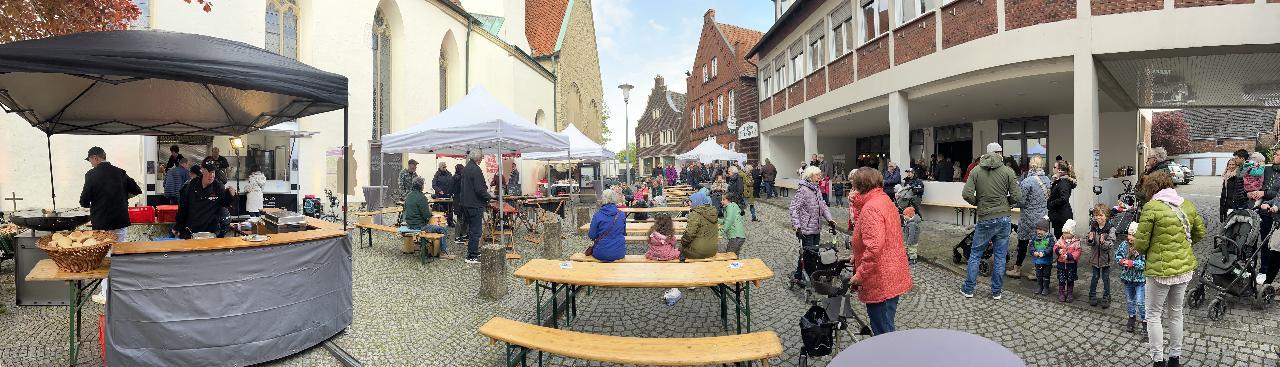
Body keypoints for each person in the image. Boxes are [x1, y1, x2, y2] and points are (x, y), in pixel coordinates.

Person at [1134, 172, 1204, 367]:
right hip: (1183, 269)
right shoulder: (1187, 204)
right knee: (1176, 313)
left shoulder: (1151, 208)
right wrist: (1182, 247)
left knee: (1153, 314)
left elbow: (1140, 245)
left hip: (1159, 271)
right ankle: (1175, 357)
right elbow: (1200, 232)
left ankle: (1158, 360)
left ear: (1151, 188)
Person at [845, 167, 913, 336]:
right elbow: (883, 236)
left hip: (881, 278)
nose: (852, 190)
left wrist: (860, 274)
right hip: (891, 272)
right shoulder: (883, 200)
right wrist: (857, 254)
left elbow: (874, 246)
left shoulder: (871, 208)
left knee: (883, 332)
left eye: (854, 186)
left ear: (860, 186)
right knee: (886, 323)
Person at [960, 143, 1023, 299]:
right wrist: (1006, 203)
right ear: (999, 153)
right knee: (1000, 256)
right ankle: (996, 292)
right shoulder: (1008, 171)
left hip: (985, 218)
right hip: (1003, 218)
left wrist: (978, 202)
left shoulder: (975, 170)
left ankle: (968, 289)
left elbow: (966, 194)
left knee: (975, 254)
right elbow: (1017, 197)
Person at [790, 166, 835, 282]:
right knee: (807, 254)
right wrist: (797, 226)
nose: (820, 177)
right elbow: (794, 208)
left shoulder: (817, 189)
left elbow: (823, 206)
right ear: (810, 177)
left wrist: (830, 219)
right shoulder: (803, 190)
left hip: (816, 228)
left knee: (814, 254)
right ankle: (801, 276)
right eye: (817, 175)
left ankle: (807, 275)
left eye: (820, 175)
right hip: (805, 229)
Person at [1011, 156, 1051, 279]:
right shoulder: (1047, 179)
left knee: (1022, 243)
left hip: (1028, 217)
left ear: (1031, 165)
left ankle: (1016, 269)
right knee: (1040, 243)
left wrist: (1011, 203)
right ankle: (1036, 271)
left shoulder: (1027, 181)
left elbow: (1021, 201)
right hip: (1043, 216)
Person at [174, 161, 238, 238]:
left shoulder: (218, 187)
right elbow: (183, 207)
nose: (211, 175)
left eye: (213, 172)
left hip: (210, 233)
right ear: (202, 170)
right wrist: (178, 226)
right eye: (209, 171)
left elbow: (225, 203)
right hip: (191, 231)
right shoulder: (192, 185)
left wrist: (231, 195)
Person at [458, 151, 493, 264]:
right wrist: (488, 197)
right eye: (482, 157)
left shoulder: (466, 168)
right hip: (474, 204)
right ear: (479, 158)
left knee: (472, 230)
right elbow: (479, 189)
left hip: (466, 204)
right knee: (475, 231)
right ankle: (472, 256)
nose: (482, 159)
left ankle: (473, 252)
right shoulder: (476, 169)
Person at [402, 177, 450, 258]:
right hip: (419, 226)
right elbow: (426, 215)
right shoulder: (421, 197)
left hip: (409, 224)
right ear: (421, 186)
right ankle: (443, 252)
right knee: (443, 229)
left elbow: (405, 210)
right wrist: (430, 211)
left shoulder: (408, 196)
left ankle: (425, 246)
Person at [1116, 222, 1147, 334]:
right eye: (1129, 234)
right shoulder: (1124, 245)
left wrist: (1132, 263)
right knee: (1130, 300)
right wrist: (1120, 260)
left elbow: (1144, 264)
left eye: (1134, 235)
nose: (1130, 237)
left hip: (1139, 280)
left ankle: (1145, 321)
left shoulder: (1142, 247)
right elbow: (1118, 255)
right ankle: (1131, 318)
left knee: (1140, 302)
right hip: (1128, 279)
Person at [1087, 204, 1115, 308]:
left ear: (1106, 216)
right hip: (1095, 258)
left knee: (1105, 278)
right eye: (1096, 215)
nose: (1098, 218)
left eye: (1101, 215)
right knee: (1094, 277)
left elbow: (1111, 244)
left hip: (1105, 259)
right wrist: (1090, 239)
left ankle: (1107, 296)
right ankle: (1092, 295)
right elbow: (1090, 243)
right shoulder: (1093, 226)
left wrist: (1103, 243)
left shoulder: (1110, 228)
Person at [587, 189, 627, 262]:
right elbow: (624, 232)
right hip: (619, 252)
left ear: (603, 199)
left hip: (601, 252)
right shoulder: (621, 214)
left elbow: (591, 235)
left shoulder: (598, 215)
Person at [680, 191, 719, 260]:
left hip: (699, 252)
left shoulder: (695, 214)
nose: (689, 203)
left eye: (691, 201)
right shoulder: (712, 212)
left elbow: (689, 234)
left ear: (696, 201)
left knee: (680, 250)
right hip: (713, 250)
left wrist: (682, 241)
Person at [1053, 219, 1083, 303]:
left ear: (1072, 233)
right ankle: (1061, 293)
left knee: (1070, 280)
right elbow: (1055, 247)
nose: (1065, 234)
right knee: (1061, 280)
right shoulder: (1060, 240)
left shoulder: (1076, 242)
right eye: (1064, 232)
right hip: (1061, 264)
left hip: (1071, 265)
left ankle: (1070, 293)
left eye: (1067, 233)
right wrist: (1058, 251)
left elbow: (1077, 252)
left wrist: (1069, 256)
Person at [1048, 161, 1077, 237]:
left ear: (1060, 170)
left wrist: (1051, 203)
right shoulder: (1059, 181)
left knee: (1062, 241)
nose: (1053, 169)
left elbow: (1064, 198)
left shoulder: (1063, 183)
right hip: (1058, 216)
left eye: (1054, 167)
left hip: (1062, 217)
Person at [1029, 219, 1057, 296]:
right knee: (1038, 275)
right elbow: (1031, 246)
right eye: (1038, 229)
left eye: (1041, 230)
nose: (1039, 231)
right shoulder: (1034, 238)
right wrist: (1033, 252)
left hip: (1047, 261)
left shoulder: (1050, 238)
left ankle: (1046, 287)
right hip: (1038, 261)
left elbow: (1051, 248)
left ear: (1046, 230)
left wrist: (1044, 253)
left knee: (1046, 275)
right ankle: (1040, 286)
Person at [1219, 155, 1247, 222]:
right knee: (1226, 221)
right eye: (1230, 164)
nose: (1231, 166)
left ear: (1236, 165)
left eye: (1233, 164)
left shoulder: (1238, 176)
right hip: (1225, 202)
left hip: (1233, 203)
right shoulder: (1226, 176)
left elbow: (1240, 192)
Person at [431, 162, 454, 226]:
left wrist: (451, 191)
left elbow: (452, 183)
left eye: (445, 167)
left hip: (448, 196)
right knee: (441, 210)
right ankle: (440, 223)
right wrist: (439, 190)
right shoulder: (437, 175)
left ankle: (450, 222)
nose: (445, 168)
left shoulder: (449, 174)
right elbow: (434, 185)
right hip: (440, 197)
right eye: (443, 167)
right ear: (440, 167)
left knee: (449, 210)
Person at [451, 163, 467, 243]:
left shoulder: (453, 177)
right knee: (462, 219)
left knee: (460, 219)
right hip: (461, 200)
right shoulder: (462, 178)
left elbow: (452, 189)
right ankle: (459, 236)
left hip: (456, 200)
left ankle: (460, 235)